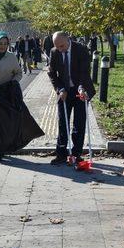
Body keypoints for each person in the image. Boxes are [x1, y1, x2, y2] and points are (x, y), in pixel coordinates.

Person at [0, 31, 44, 162]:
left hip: (7, 96)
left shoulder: (11, 57)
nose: (2, 46)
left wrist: (13, 83)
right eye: (0, 43)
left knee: (7, 123)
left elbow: (18, 73)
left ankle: (6, 146)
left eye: (5, 43)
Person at [47, 32, 96, 165]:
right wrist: (60, 89)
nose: (60, 49)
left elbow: (84, 72)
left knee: (79, 123)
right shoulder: (54, 52)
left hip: (81, 89)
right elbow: (51, 73)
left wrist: (81, 88)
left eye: (62, 46)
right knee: (63, 122)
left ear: (68, 40)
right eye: (57, 47)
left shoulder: (81, 49)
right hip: (64, 90)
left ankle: (76, 154)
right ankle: (61, 154)